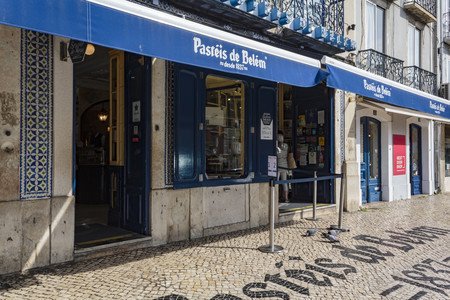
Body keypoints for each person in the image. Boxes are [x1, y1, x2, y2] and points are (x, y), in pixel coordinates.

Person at [277, 131, 289, 202]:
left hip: (278, 166)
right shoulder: (286, 146)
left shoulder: (276, 147)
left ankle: (276, 197)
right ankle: (286, 198)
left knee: (276, 182)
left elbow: (277, 155)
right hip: (285, 166)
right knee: (284, 182)